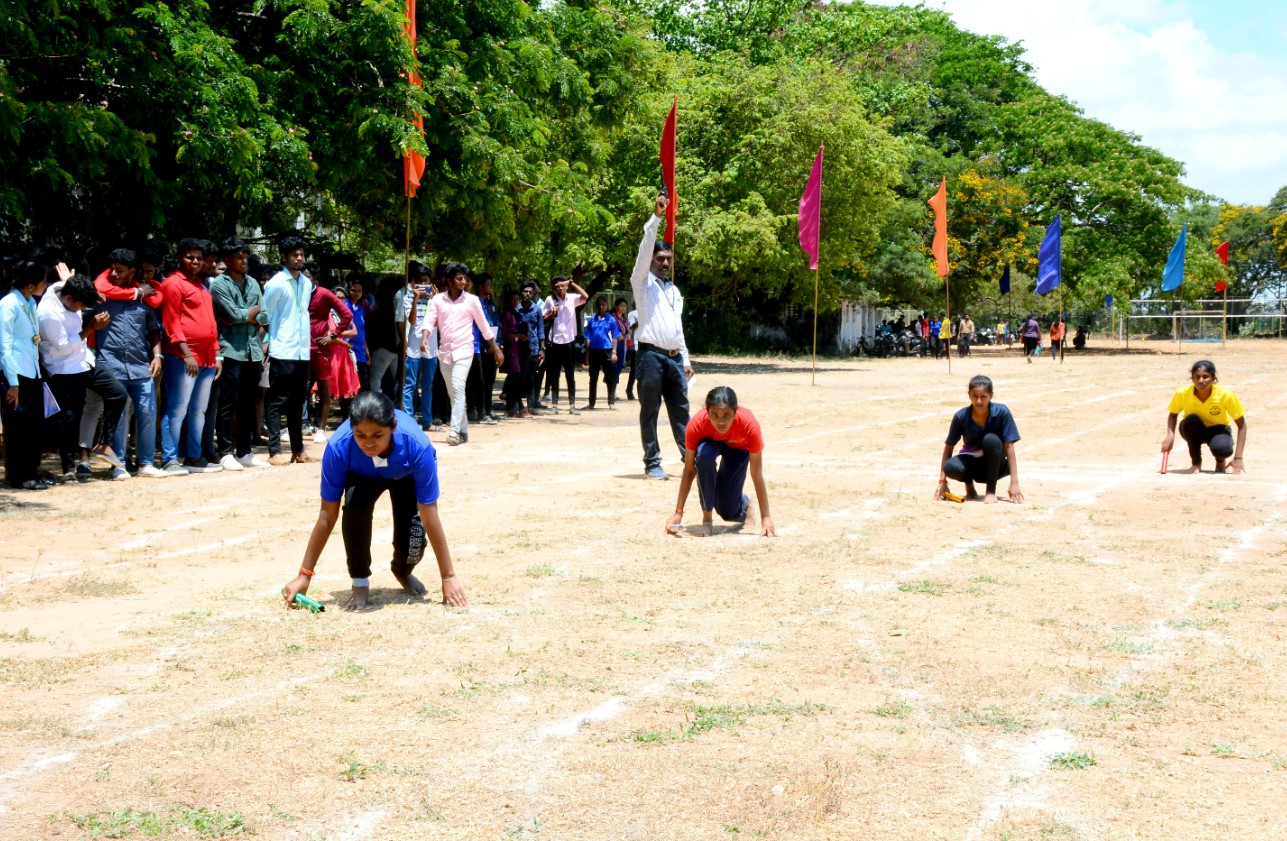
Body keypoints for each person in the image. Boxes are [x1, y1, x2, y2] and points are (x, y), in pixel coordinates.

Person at [280, 392, 468, 613]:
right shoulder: (339, 447)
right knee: (355, 504)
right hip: (362, 476)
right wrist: (304, 574)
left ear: (393, 427)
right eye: (360, 435)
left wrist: (448, 576)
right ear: (351, 428)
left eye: (377, 435)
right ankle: (360, 581)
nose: (368, 443)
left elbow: (429, 512)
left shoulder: (417, 446)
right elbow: (327, 516)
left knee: (413, 543)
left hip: (404, 476)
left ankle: (402, 570)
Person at [39, 271, 129, 481]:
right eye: (80, 306)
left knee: (118, 394)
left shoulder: (66, 288)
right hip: (62, 368)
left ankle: (103, 443)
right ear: (69, 299)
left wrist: (93, 296)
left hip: (84, 361)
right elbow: (62, 347)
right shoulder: (48, 313)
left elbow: (74, 287)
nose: (81, 310)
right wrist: (91, 328)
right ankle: (68, 468)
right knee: (70, 418)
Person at [631, 193, 692, 479]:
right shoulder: (642, 284)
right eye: (660, 259)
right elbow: (644, 250)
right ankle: (652, 462)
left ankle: (689, 458)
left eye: (668, 259)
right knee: (651, 412)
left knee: (681, 411)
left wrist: (686, 359)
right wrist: (657, 217)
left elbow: (677, 329)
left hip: (674, 358)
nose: (665, 263)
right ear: (652, 261)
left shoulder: (673, 291)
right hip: (650, 357)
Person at [92, 249, 167, 477]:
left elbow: (154, 330)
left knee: (147, 413)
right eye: (112, 269)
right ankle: (119, 465)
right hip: (110, 363)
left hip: (141, 365)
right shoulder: (101, 297)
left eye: (120, 270)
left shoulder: (145, 299)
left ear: (131, 272)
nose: (114, 273)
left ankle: (146, 464)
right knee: (119, 415)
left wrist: (157, 356)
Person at [665, 386, 776, 537]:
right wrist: (678, 513)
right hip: (710, 443)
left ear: (735, 413)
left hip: (738, 448)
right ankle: (707, 520)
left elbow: (756, 474)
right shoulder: (696, 425)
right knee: (704, 457)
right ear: (707, 412)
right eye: (714, 415)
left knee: (727, 511)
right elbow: (689, 470)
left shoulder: (749, 425)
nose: (720, 421)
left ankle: (744, 503)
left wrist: (766, 517)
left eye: (726, 415)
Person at [421, 262, 503, 446]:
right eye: (459, 278)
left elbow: (483, 325)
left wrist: (495, 347)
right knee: (454, 393)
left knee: (458, 388)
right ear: (449, 281)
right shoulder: (437, 300)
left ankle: (454, 431)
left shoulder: (472, 300)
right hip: (444, 352)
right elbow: (429, 320)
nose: (463, 281)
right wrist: (425, 337)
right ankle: (464, 429)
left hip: (465, 350)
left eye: (465, 278)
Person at [210, 237, 269, 471]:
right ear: (227, 259)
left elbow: (264, 316)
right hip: (230, 350)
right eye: (239, 257)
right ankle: (225, 452)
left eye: (245, 256)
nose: (244, 261)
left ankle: (244, 451)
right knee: (227, 404)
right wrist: (248, 314)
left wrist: (245, 314)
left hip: (253, 351)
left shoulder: (253, 282)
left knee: (247, 403)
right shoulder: (219, 284)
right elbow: (232, 317)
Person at [262, 235, 316, 466]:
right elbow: (265, 315)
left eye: (301, 254)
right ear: (283, 257)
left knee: (297, 401)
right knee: (276, 401)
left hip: (302, 351)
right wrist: (267, 343)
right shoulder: (275, 283)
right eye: (294, 254)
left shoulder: (306, 283)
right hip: (282, 349)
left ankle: (298, 450)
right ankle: (275, 450)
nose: (299, 258)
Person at [934, 374, 1024, 504]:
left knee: (991, 440)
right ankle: (969, 484)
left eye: (983, 397)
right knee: (950, 467)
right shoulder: (961, 416)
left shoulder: (1002, 412)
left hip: (997, 465)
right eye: (974, 396)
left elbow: (1009, 447)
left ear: (991, 395)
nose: (979, 401)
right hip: (974, 464)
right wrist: (942, 481)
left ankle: (990, 491)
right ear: (968, 395)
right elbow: (949, 448)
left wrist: (1014, 482)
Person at [0, 261, 51, 489]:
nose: (46, 285)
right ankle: (18, 476)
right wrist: (12, 383)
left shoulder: (29, 302)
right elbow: (4, 346)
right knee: (16, 428)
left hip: (31, 371)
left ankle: (31, 470)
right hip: (14, 374)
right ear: (31, 285)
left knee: (33, 425)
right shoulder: (8, 304)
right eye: (43, 281)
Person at [1161, 360, 1247, 474]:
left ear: (1213, 378)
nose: (1200, 381)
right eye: (1196, 377)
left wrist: (1238, 458)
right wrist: (1170, 435)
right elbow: (1173, 414)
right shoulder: (1183, 393)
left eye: (1205, 377)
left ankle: (1220, 460)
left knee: (1223, 449)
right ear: (1192, 378)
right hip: (1193, 428)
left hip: (1218, 429)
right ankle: (1196, 463)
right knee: (1191, 421)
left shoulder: (1225, 395)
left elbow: (1242, 424)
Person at [307, 281, 353, 443]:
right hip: (301, 349)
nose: (340, 299)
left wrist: (333, 337)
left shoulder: (328, 304)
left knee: (325, 390)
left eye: (342, 297)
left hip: (325, 352)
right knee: (301, 390)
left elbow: (350, 322)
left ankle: (322, 428)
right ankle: (302, 424)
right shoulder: (299, 294)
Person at [397, 262, 438, 431]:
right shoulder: (407, 297)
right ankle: (408, 420)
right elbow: (412, 321)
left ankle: (427, 421)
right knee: (410, 384)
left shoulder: (437, 299)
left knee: (428, 385)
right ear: (414, 282)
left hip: (431, 347)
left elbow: (439, 321)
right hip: (413, 346)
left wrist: (434, 299)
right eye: (420, 281)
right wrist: (415, 298)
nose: (423, 285)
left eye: (426, 281)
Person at [541, 274, 587, 415]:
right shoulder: (550, 299)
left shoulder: (572, 298)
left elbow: (585, 296)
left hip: (569, 341)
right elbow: (543, 318)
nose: (560, 288)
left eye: (562, 285)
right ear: (554, 288)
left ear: (566, 286)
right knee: (554, 374)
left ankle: (572, 405)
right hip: (555, 341)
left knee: (569, 374)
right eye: (557, 286)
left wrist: (572, 283)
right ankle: (554, 404)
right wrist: (552, 313)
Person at [512, 280, 546, 417]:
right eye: (525, 291)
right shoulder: (516, 309)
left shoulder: (537, 309)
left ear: (533, 294)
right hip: (518, 348)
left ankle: (531, 405)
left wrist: (542, 348)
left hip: (533, 347)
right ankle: (517, 404)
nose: (527, 294)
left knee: (531, 377)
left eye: (530, 292)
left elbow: (541, 330)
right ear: (521, 292)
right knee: (519, 376)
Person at [582, 295, 621, 410]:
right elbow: (587, 336)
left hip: (607, 350)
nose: (601, 306)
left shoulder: (611, 320)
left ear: (607, 305)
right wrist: (587, 351)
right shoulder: (592, 320)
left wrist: (614, 352)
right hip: (594, 351)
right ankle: (591, 403)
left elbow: (615, 337)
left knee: (610, 377)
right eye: (598, 304)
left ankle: (611, 401)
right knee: (593, 377)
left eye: (603, 304)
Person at [342, 276, 373, 393]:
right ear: (348, 290)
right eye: (353, 290)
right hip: (348, 349)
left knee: (363, 383)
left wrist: (367, 352)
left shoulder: (360, 309)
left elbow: (362, 332)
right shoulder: (344, 305)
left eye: (359, 291)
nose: (356, 293)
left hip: (360, 350)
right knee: (349, 383)